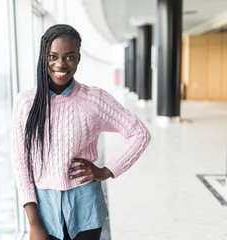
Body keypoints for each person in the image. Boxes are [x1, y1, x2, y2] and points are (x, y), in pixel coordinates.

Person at [11, 24, 151, 240]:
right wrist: (33, 221)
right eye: (53, 56)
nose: (60, 64)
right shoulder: (26, 103)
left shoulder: (94, 99)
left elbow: (140, 133)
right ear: (43, 57)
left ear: (78, 59)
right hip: (43, 213)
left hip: (86, 209)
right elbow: (21, 165)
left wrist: (106, 171)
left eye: (69, 57)